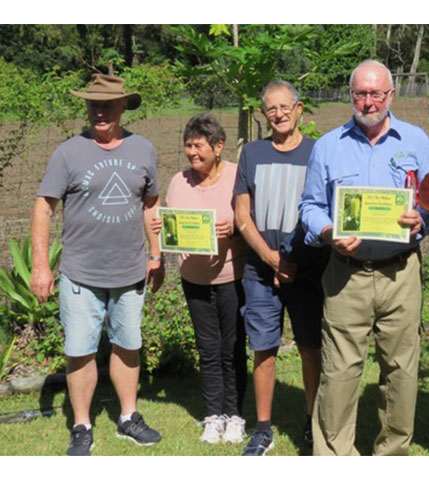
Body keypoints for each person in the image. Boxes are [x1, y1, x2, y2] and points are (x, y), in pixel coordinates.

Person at [299, 60, 429, 456]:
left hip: (401, 273)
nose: (369, 101)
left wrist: (422, 219)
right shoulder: (328, 145)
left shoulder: (415, 141)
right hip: (346, 275)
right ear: (350, 95)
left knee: (401, 372)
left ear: (391, 94)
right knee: (339, 372)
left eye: (376, 93)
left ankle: (391, 455)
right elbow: (310, 206)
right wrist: (329, 232)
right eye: (361, 93)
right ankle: (335, 455)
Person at [30, 74, 164, 456]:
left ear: (123, 106)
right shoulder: (68, 153)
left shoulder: (143, 149)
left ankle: (128, 417)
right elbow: (43, 207)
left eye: (107, 105)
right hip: (81, 274)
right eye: (93, 105)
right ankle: (82, 425)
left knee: (128, 345)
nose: (99, 112)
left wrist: (156, 255)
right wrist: (41, 266)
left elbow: (151, 204)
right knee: (79, 351)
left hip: (130, 270)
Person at [234, 80, 329, 456]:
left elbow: (325, 208)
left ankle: (312, 424)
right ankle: (262, 428)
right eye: (271, 109)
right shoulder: (251, 153)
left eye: (285, 107)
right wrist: (271, 258)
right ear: (263, 114)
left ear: (299, 109)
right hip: (260, 272)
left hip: (308, 270)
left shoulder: (318, 152)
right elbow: (243, 216)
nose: (279, 114)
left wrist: (294, 260)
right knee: (263, 348)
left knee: (310, 348)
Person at [150, 113, 248, 444]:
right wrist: (164, 228)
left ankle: (235, 415)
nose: (192, 152)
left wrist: (233, 228)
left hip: (232, 277)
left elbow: (251, 219)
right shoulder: (179, 182)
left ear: (218, 147)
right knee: (207, 349)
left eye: (198, 146)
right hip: (194, 280)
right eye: (188, 146)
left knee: (232, 348)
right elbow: (173, 221)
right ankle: (212, 416)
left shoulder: (236, 176)